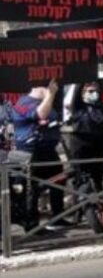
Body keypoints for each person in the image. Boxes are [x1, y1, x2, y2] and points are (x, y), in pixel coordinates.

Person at [11, 81, 63, 230]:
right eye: (47, 88)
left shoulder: (46, 102)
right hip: (30, 152)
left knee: (59, 181)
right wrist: (51, 94)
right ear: (39, 88)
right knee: (31, 188)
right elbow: (40, 114)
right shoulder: (23, 102)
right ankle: (32, 226)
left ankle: (58, 217)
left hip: (48, 150)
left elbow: (51, 119)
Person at [63, 82, 103, 194]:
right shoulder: (78, 107)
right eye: (91, 91)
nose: (94, 94)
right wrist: (84, 77)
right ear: (83, 93)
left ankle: (99, 205)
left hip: (98, 148)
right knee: (81, 179)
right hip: (81, 147)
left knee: (98, 178)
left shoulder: (100, 108)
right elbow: (76, 92)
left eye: (96, 91)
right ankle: (80, 209)